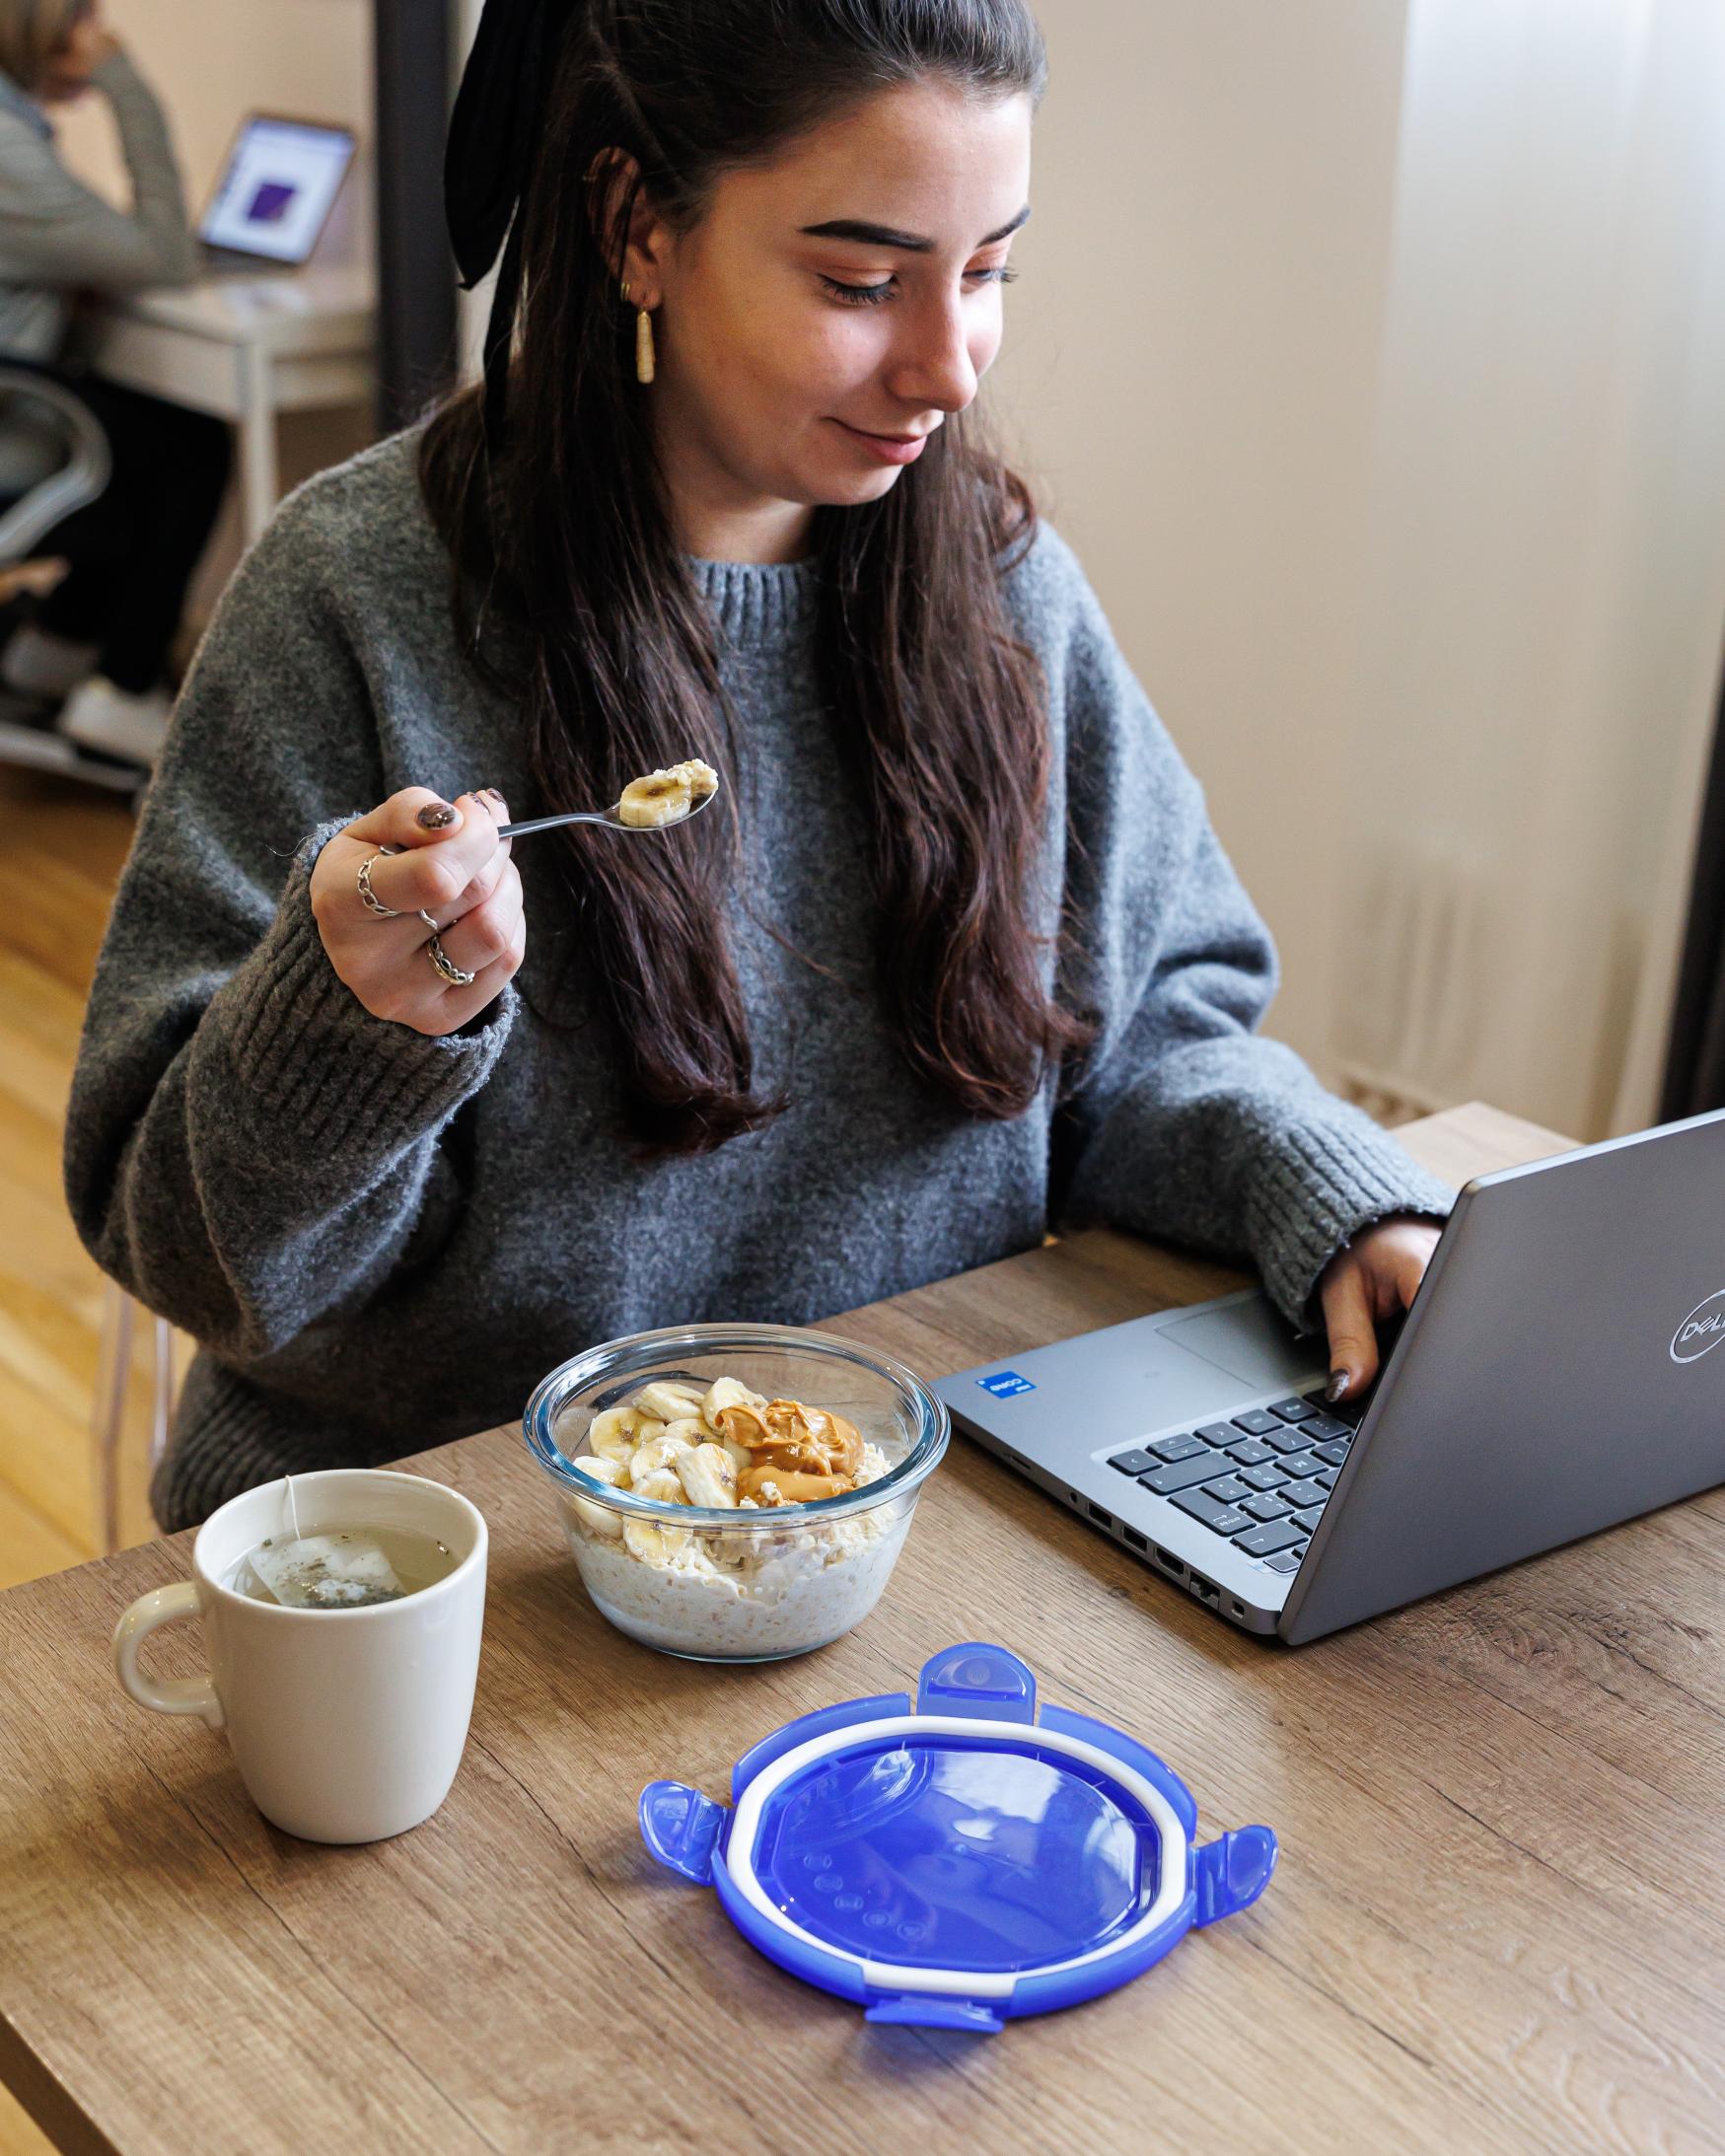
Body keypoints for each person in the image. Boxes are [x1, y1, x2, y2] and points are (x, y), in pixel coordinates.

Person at [64, 0, 1454, 1533]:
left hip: (885, 1521)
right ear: (635, 226)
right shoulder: (356, 597)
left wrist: (1328, 1191)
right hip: (440, 1565)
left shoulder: (1002, 588)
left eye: (987, 270)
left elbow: (1145, 1037)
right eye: (861, 280)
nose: (946, 364)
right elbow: (178, 1252)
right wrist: (344, 1031)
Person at [0, 0, 230, 774]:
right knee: (189, 443)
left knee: (134, 436)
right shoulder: (7, 150)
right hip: (12, 431)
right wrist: (124, 84)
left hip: (20, 398)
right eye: (86, 17)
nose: (102, 34)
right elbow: (164, 255)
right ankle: (123, 685)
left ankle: (52, 650)